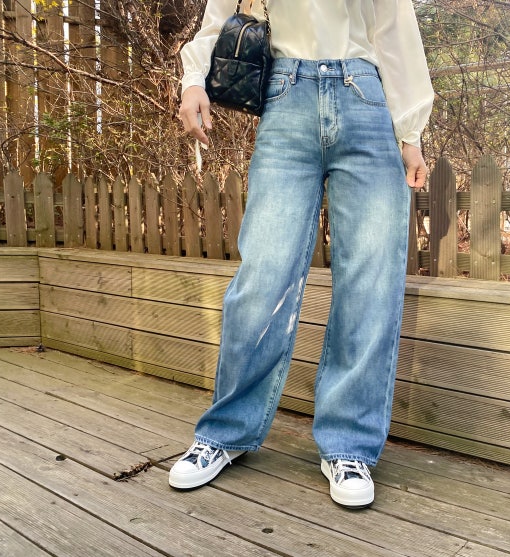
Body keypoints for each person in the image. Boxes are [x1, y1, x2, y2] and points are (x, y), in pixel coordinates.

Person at [170, 0, 434, 508]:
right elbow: (219, 13)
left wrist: (411, 133)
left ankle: (349, 445)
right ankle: (225, 431)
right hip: (286, 95)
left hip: (367, 99)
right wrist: (193, 79)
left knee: (371, 282)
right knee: (263, 276)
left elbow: (394, 25)